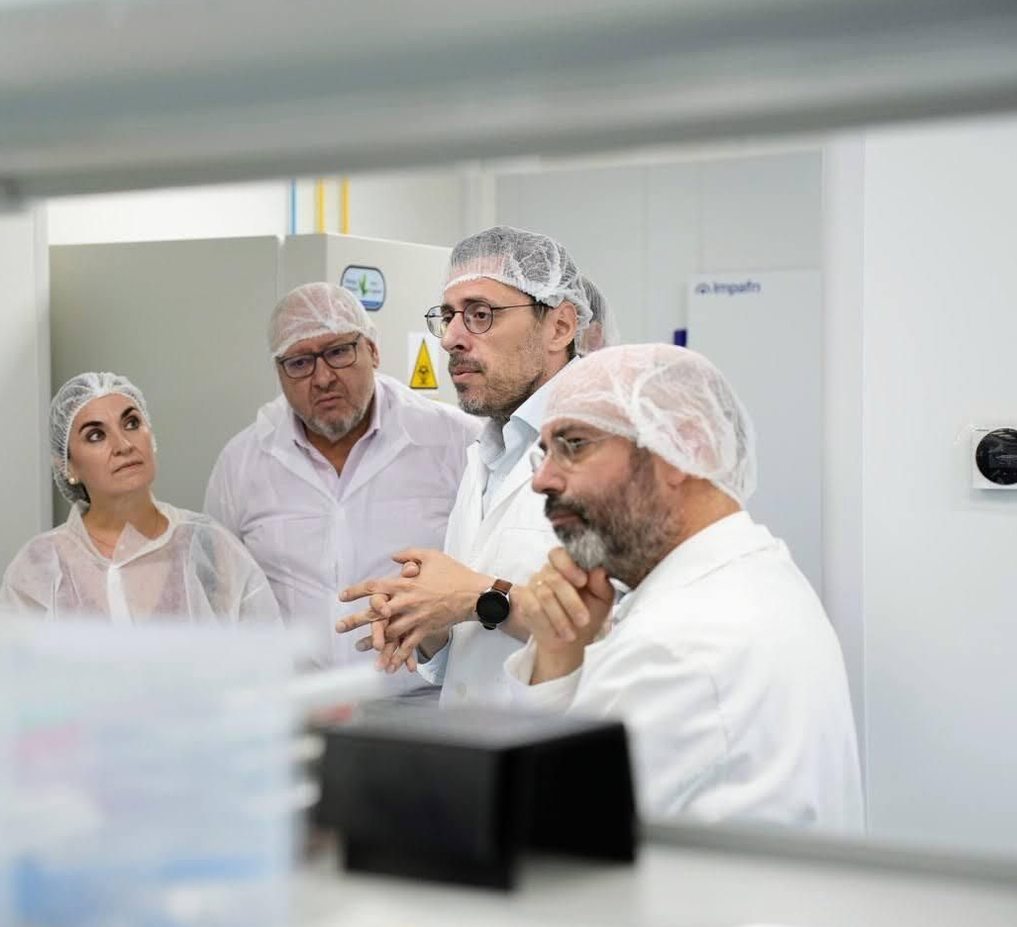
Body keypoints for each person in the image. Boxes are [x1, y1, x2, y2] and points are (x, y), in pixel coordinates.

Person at [508, 343, 862, 828]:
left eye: (574, 444)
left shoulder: (677, 646)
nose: (542, 480)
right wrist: (561, 650)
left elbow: (543, 833)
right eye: (544, 452)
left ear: (682, 447)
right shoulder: (753, 572)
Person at [335, 228, 614, 705]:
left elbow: (628, 635)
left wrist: (479, 597)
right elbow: (475, 643)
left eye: (480, 314)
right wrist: (428, 620)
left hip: (567, 761)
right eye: (447, 316)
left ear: (561, 326)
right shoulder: (488, 451)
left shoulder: (612, 452)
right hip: (478, 753)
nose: (449, 339)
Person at [204, 282, 480, 667]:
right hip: (296, 708)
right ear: (278, 372)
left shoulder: (456, 442)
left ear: (373, 350)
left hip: (423, 706)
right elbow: (219, 598)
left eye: (338, 352)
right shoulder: (241, 463)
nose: (322, 378)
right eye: (299, 362)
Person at [1, 372, 280, 623]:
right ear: (67, 466)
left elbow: (267, 659)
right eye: (96, 435)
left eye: (132, 423)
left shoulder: (209, 547)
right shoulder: (40, 565)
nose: (123, 445)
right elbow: (12, 672)